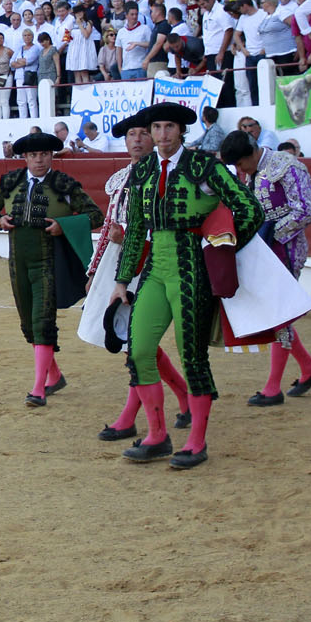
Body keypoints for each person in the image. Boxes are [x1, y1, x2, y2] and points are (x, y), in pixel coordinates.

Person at [112, 103, 264, 469]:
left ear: (181, 131)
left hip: (192, 267)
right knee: (140, 349)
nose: (162, 135)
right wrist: (121, 279)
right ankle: (157, 435)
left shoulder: (204, 166)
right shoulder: (143, 170)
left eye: (169, 127)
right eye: (156, 128)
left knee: (191, 354)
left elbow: (249, 210)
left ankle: (196, 440)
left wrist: (221, 247)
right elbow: (134, 228)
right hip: (155, 268)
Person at [84, 110, 192, 441]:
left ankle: (130, 418)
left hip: (153, 264)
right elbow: (108, 229)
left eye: (143, 133)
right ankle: (184, 398)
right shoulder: (118, 180)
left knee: (136, 344)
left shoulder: (168, 174)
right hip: (121, 267)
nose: (138, 139)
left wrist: (129, 234)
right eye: (132, 134)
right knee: (136, 343)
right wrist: (94, 268)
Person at [0, 133, 105, 407]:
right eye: (34, 155)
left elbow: (95, 215)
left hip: (49, 262)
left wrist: (64, 225)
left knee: (42, 321)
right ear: (25, 157)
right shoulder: (10, 181)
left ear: (52, 156)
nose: (39, 160)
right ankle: (55, 375)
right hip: (18, 262)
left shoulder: (64, 184)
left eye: (45, 154)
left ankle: (38, 388)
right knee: (28, 323)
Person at [218, 130, 311, 407]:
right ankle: (309, 368)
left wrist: (271, 235)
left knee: (278, 314)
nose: (240, 171)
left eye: (241, 165)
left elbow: (305, 210)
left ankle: (273, 387)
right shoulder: (250, 172)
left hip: (286, 249)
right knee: (275, 313)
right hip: (263, 250)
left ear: (251, 153)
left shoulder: (287, 166)